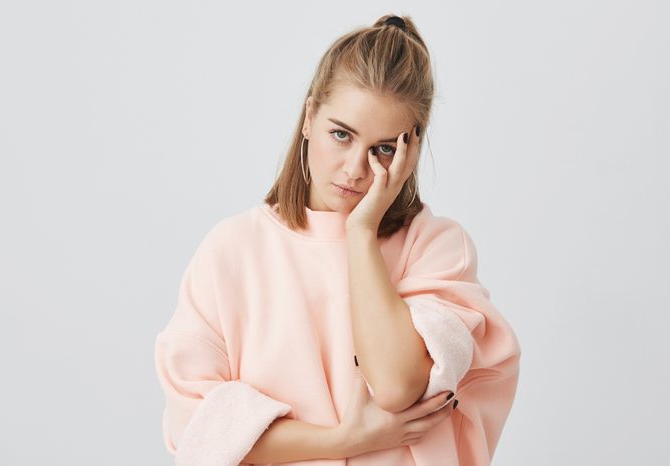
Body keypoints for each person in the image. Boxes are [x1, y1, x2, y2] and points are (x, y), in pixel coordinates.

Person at [154, 13, 521, 466]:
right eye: (341, 135)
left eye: (383, 149)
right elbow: (200, 430)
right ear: (309, 118)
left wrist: (361, 232)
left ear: (412, 150)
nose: (355, 169)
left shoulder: (436, 247)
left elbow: (395, 385)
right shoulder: (232, 250)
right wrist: (348, 441)